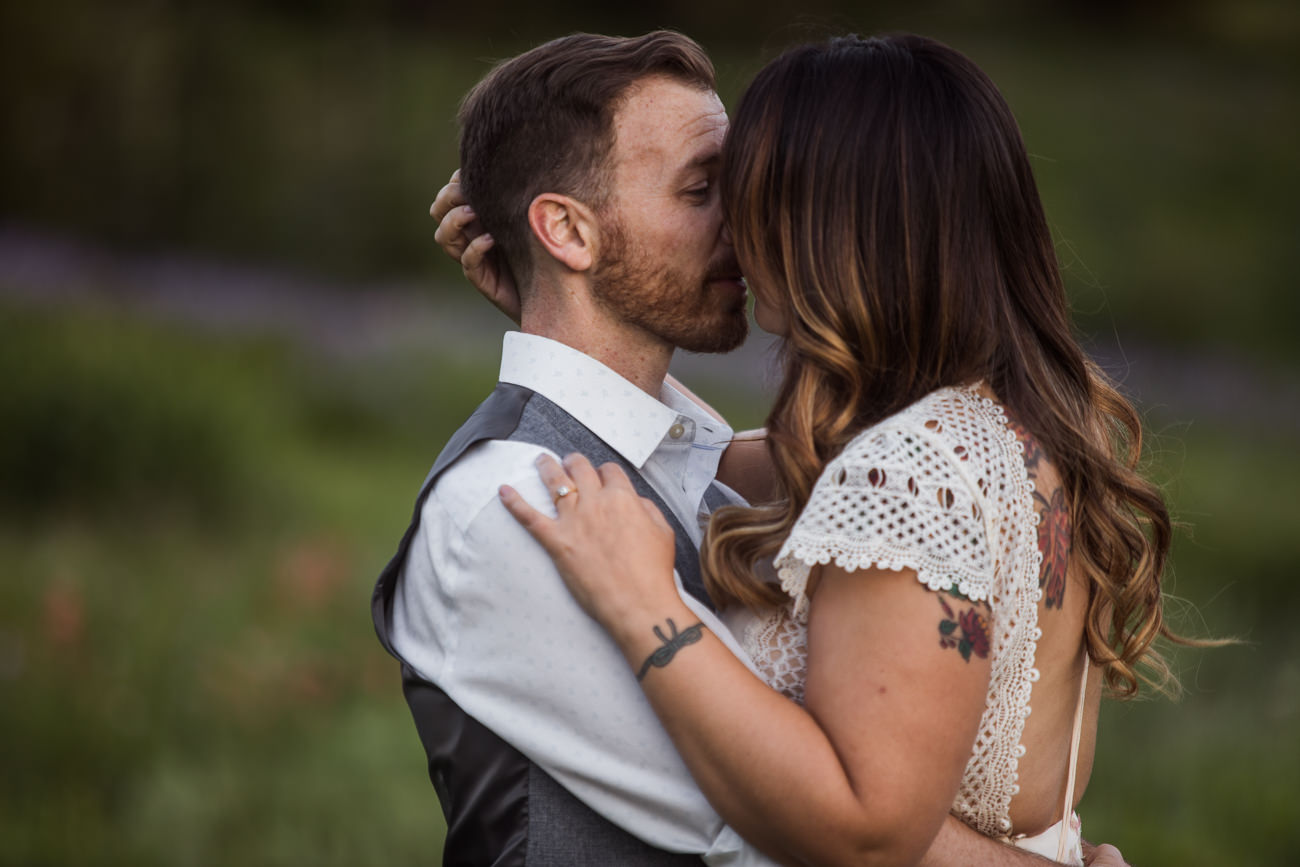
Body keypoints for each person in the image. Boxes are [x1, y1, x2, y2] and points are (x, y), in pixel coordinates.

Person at [378, 28, 1127, 867]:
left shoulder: (904, 455)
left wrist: (567, 327)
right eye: (704, 191)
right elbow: (765, 822)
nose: (745, 225)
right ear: (569, 232)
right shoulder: (518, 503)